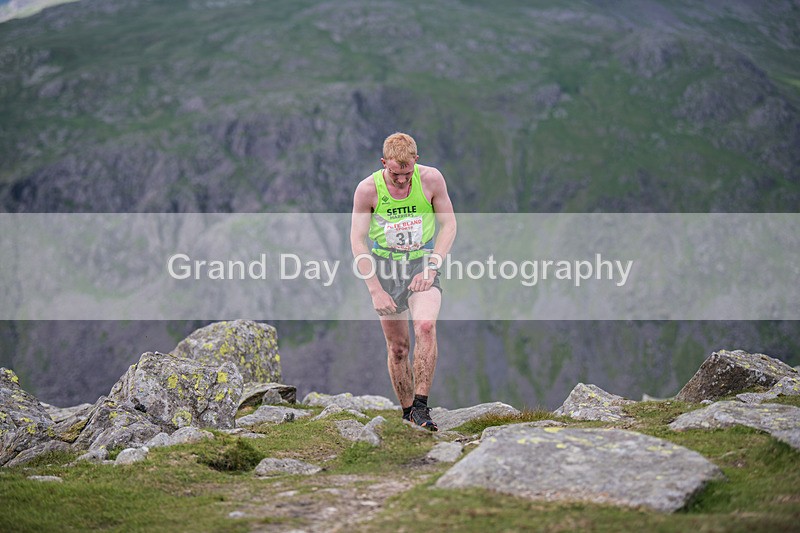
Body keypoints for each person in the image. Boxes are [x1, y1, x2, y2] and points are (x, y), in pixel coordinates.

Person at [350, 132, 457, 431]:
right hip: (384, 266)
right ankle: (408, 411)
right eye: (395, 174)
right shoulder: (368, 189)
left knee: (425, 325)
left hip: (421, 262)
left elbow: (449, 225)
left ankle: (422, 408)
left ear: (416, 162)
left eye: (407, 173)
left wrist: (433, 266)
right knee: (398, 347)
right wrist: (374, 290)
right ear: (384, 163)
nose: (401, 181)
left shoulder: (432, 180)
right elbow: (357, 241)